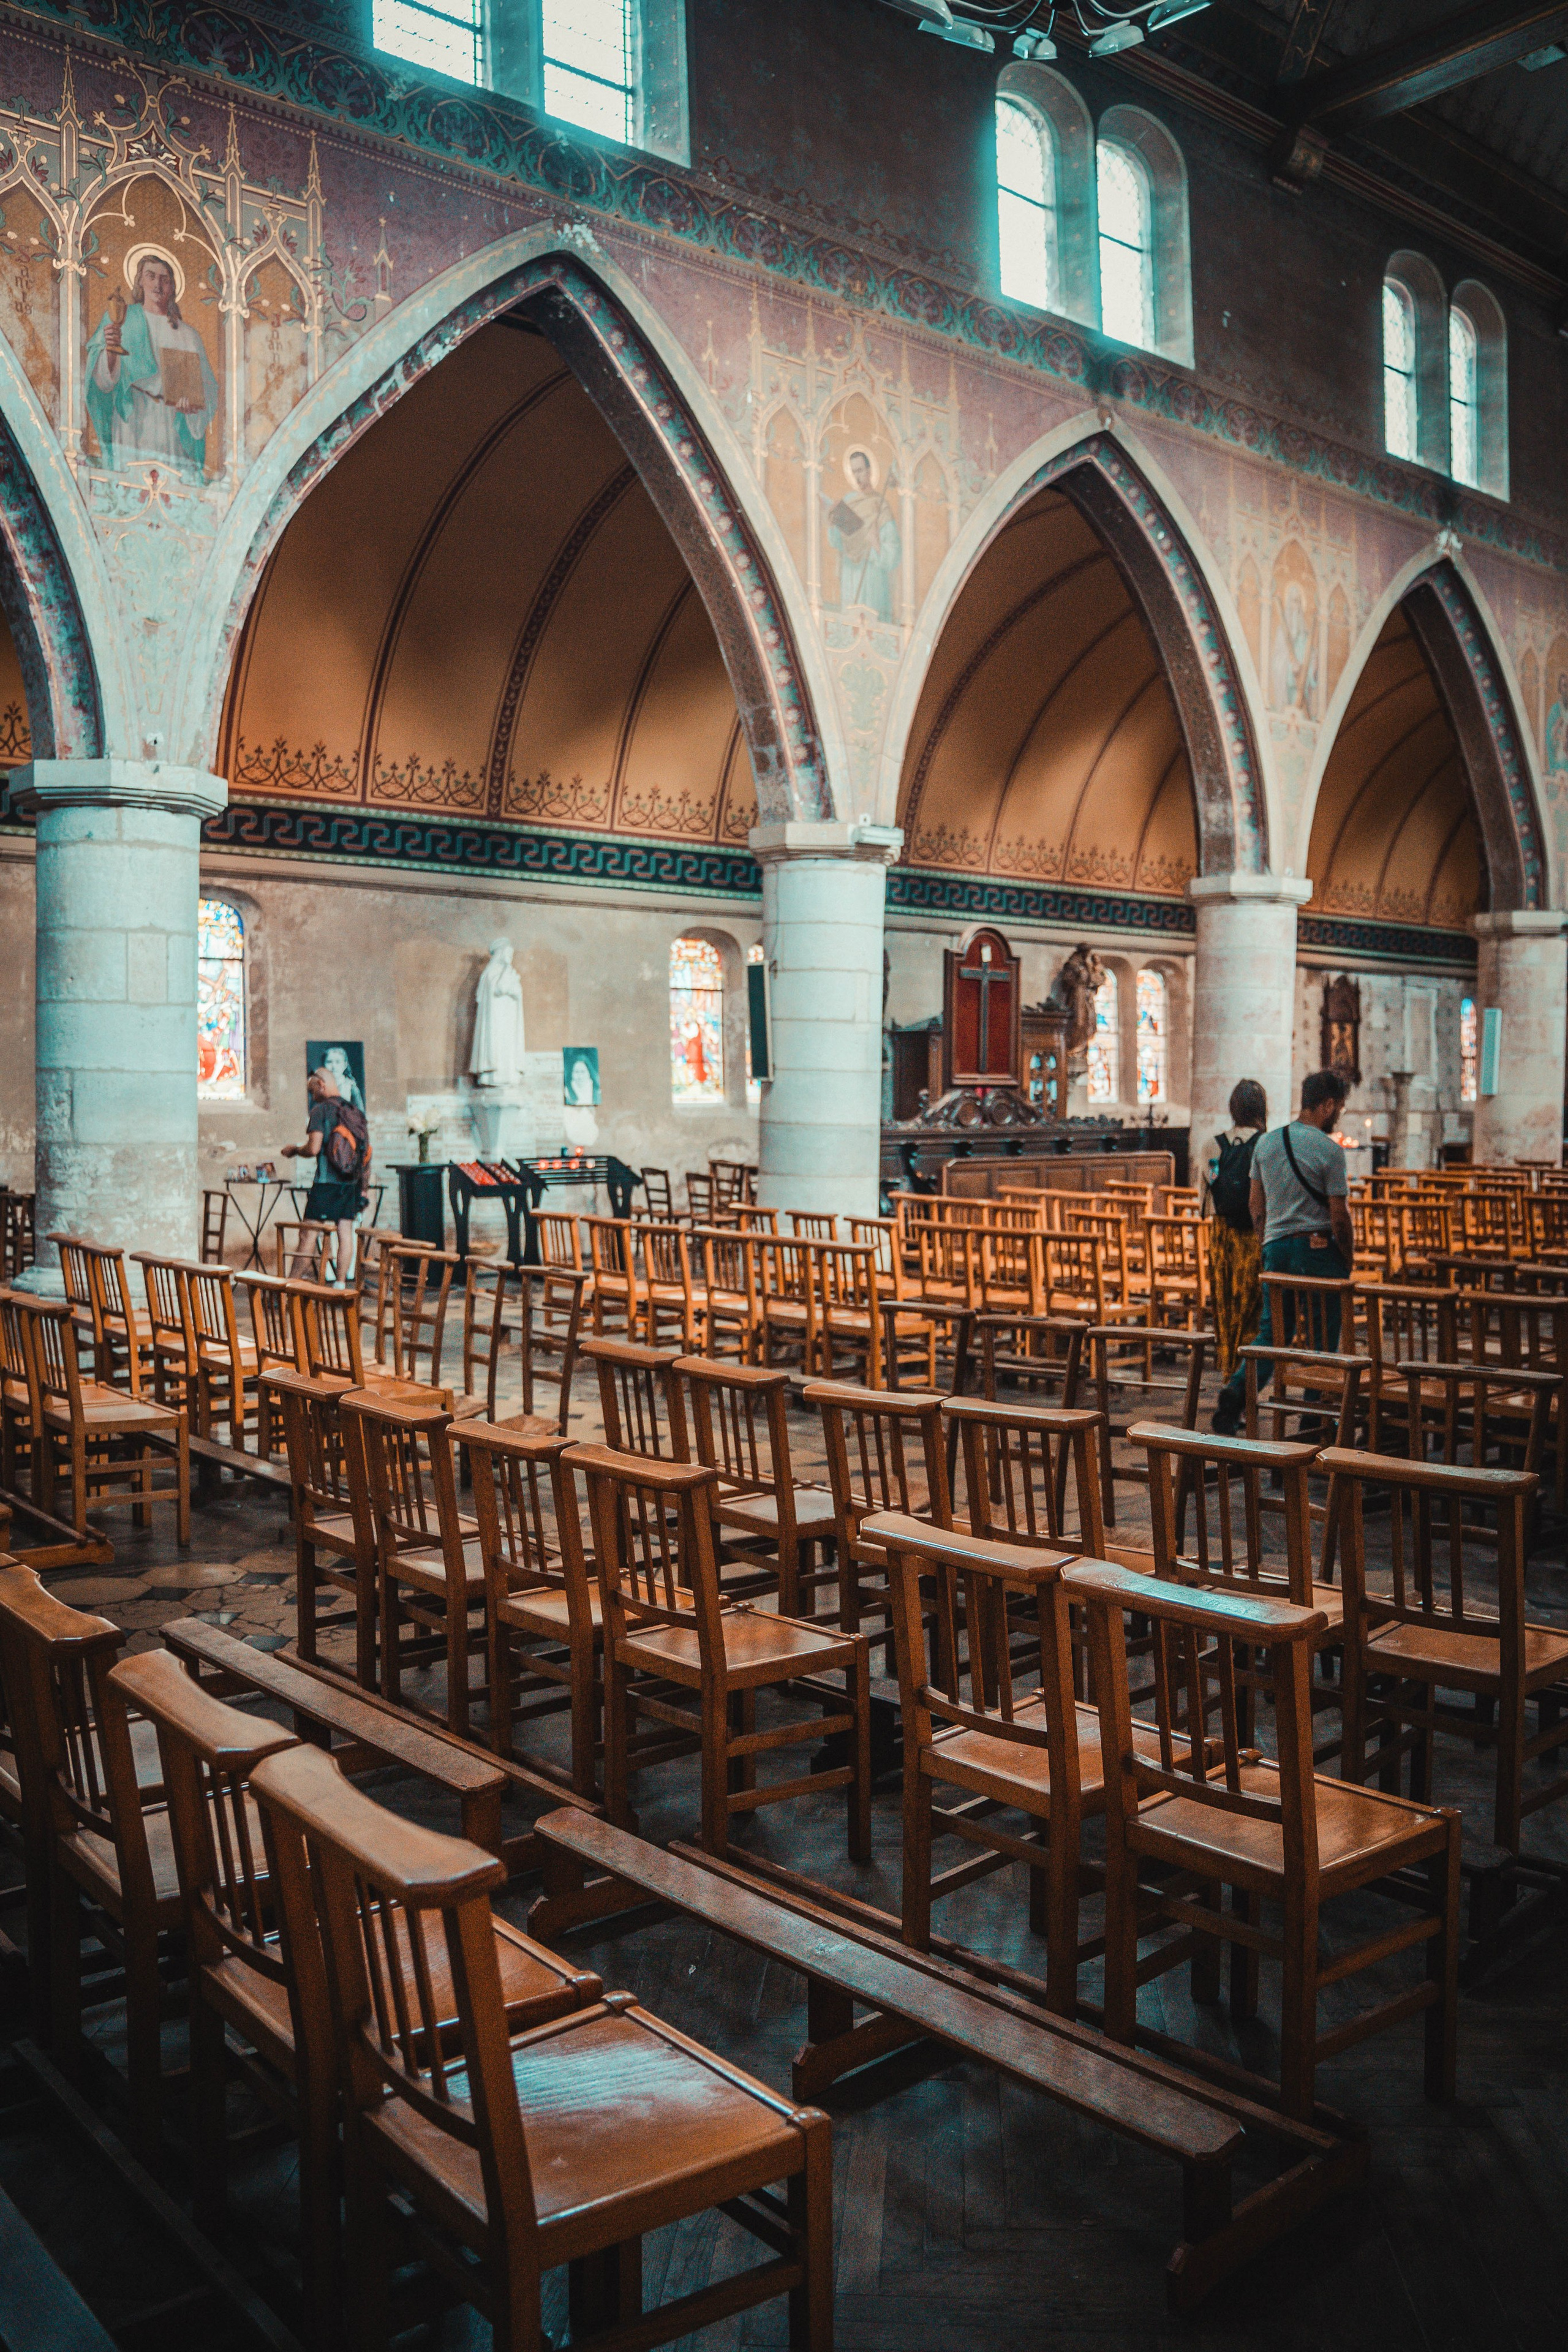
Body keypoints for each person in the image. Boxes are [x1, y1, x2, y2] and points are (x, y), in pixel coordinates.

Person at [1212, 1068, 1352, 1435]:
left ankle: (1235, 1394)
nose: (1338, 1113)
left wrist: (1267, 1243)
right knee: (1322, 1339)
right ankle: (1313, 1417)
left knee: (1273, 1333)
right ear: (1325, 1105)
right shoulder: (1330, 1150)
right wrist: (1346, 1258)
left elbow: (1256, 1205)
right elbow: (1339, 1217)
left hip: (1276, 1250)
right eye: (1337, 1106)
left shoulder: (1267, 1144)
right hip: (1317, 1251)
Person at [1202, 1079, 1268, 1391]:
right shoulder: (1266, 1144)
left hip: (1221, 1234)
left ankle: (1230, 1370)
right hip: (1253, 1234)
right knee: (1251, 1307)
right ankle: (1244, 1381)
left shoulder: (1211, 1144)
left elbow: (1203, 1196)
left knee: (1225, 1305)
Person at [282, 1068, 370, 1283]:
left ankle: (290, 1285)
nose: (312, 1097)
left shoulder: (320, 1110)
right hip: (350, 1183)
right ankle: (340, 1286)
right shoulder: (355, 1111)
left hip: (325, 1184)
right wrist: (364, 1187)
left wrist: (295, 1150)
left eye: (312, 1091)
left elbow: (313, 1148)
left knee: (308, 1234)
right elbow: (366, 1152)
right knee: (345, 1233)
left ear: (321, 1085)